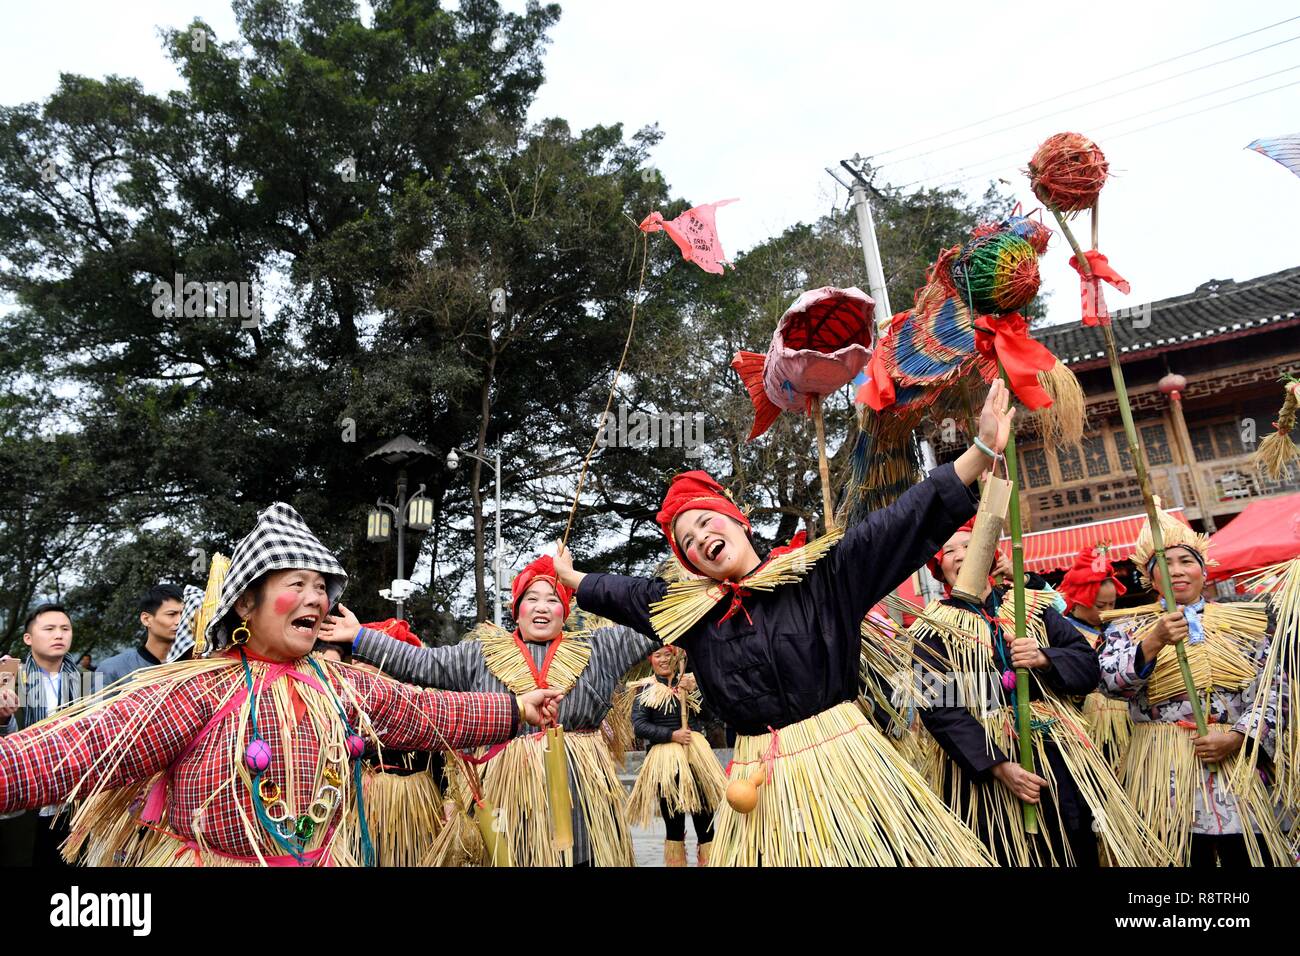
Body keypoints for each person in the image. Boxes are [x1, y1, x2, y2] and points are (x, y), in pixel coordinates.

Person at [551, 380, 1022, 866]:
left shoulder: (821, 575)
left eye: (706, 523)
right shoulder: (691, 614)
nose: (699, 540)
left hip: (847, 771)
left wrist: (980, 451)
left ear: (738, 520)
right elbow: (625, 593)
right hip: (761, 790)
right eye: (687, 542)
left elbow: (899, 522)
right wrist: (573, 577)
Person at [0, 503, 560, 867]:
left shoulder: (337, 684)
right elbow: (69, 752)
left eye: (322, 587)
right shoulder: (197, 690)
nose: (318, 600)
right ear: (247, 601)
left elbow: (427, 713)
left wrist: (515, 708)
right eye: (299, 584)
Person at [322, 554, 658, 867]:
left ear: (565, 610)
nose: (542, 607)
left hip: (580, 789)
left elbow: (659, 619)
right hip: (505, 790)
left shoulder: (600, 648)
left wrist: (580, 580)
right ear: (517, 608)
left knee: (582, 856)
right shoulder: (479, 655)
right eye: (532, 599)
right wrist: (360, 637)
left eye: (553, 599)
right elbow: (419, 662)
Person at [908, 525, 1164, 866]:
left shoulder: (1031, 608)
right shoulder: (931, 629)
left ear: (991, 554)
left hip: (1056, 755)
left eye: (970, 545)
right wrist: (999, 766)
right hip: (987, 767)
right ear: (940, 570)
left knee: (1072, 844)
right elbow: (938, 708)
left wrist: (1044, 658)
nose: (963, 555)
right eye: (950, 552)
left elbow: (1088, 667)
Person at [1098, 506, 1290, 867]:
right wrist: (1153, 641)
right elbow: (1109, 683)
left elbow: (1275, 692)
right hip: (1162, 771)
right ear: (1151, 578)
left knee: (1249, 856)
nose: (1176, 570)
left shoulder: (1243, 624)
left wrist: (1237, 737)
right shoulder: (1126, 628)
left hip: (1236, 768)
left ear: (1203, 569)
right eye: (1164, 564)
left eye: (1186, 560)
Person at [0, 605, 91, 867]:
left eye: (65, 629)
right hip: (24, 801)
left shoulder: (85, 680)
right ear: (28, 638)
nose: (59, 635)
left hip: (74, 801)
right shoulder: (9, 677)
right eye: (49, 629)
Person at [626, 645, 724, 866]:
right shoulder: (645, 689)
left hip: (696, 756)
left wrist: (695, 691)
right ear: (650, 659)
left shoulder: (688, 684)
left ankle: (710, 861)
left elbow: (710, 715)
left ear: (676, 657)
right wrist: (671, 734)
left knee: (705, 818)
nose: (662, 660)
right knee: (673, 823)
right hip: (665, 762)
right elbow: (640, 726)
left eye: (667, 655)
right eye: (657, 655)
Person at [1057, 544, 1131, 772]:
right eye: (1101, 605)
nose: (1108, 610)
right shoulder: (1062, 631)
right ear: (1078, 601)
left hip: (1125, 721)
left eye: (1112, 603)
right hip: (1082, 723)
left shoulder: (1120, 631)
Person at [96, 584, 185, 686]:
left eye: (183, 614)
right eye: (171, 614)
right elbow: (90, 701)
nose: (179, 621)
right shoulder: (109, 669)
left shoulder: (194, 666)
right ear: (146, 619)